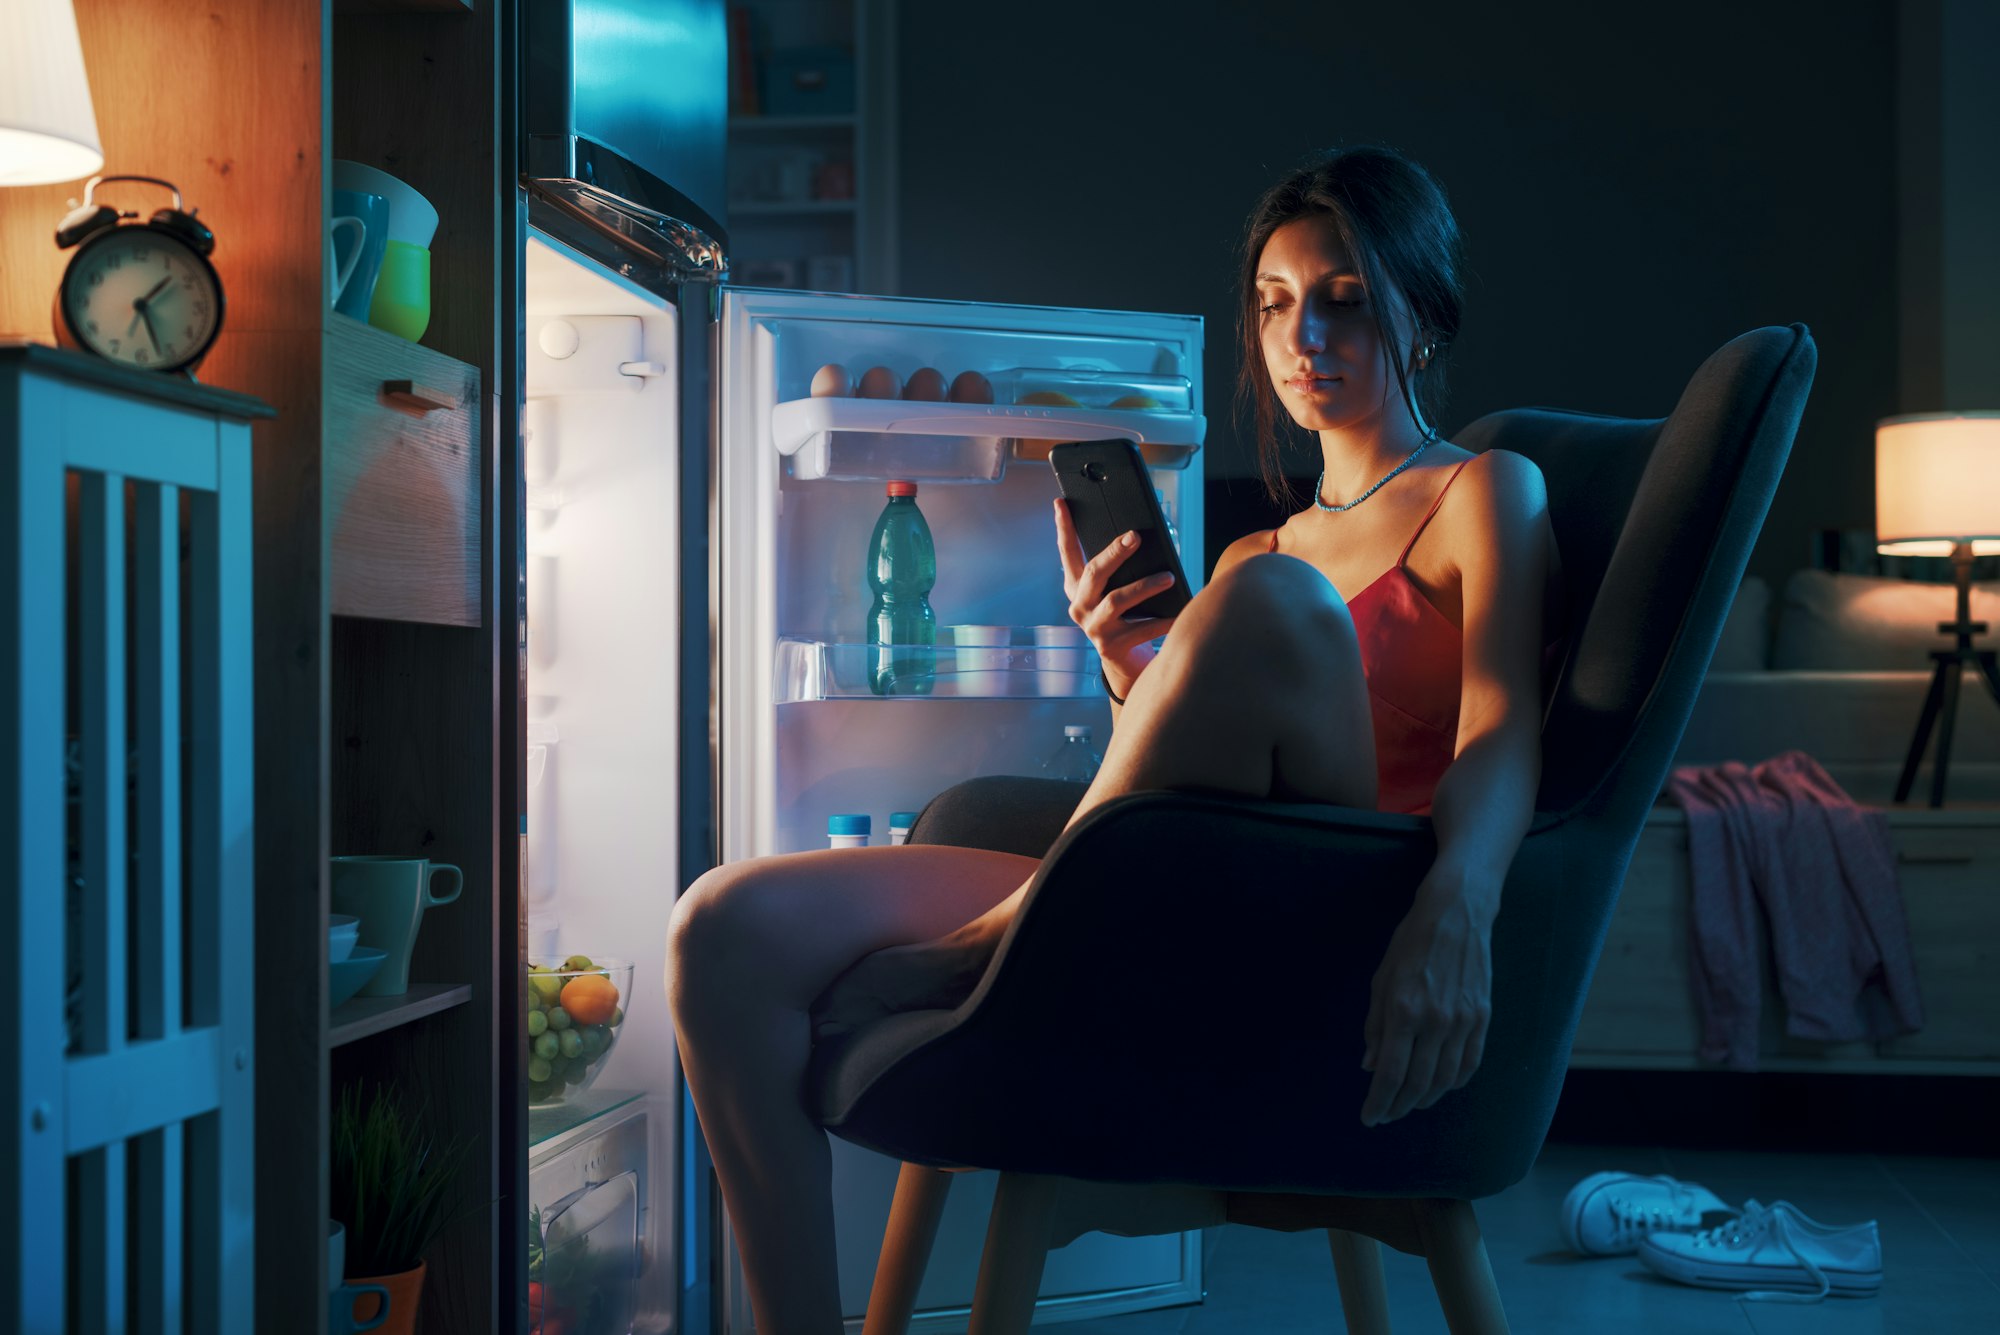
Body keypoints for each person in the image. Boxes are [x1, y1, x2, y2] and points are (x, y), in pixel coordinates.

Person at [666, 144, 1564, 1333]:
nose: (1305, 340)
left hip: (1342, 907)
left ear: (1425, 317)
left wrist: (1461, 897)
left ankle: (998, 937)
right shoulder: (1261, 554)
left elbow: (1502, 731)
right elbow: (1168, 790)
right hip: (1168, 882)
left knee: (1268, 603)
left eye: (1344, 302)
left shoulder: (1484, 493)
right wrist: (1127, 663)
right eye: (1275, 305)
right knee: (722, 929)